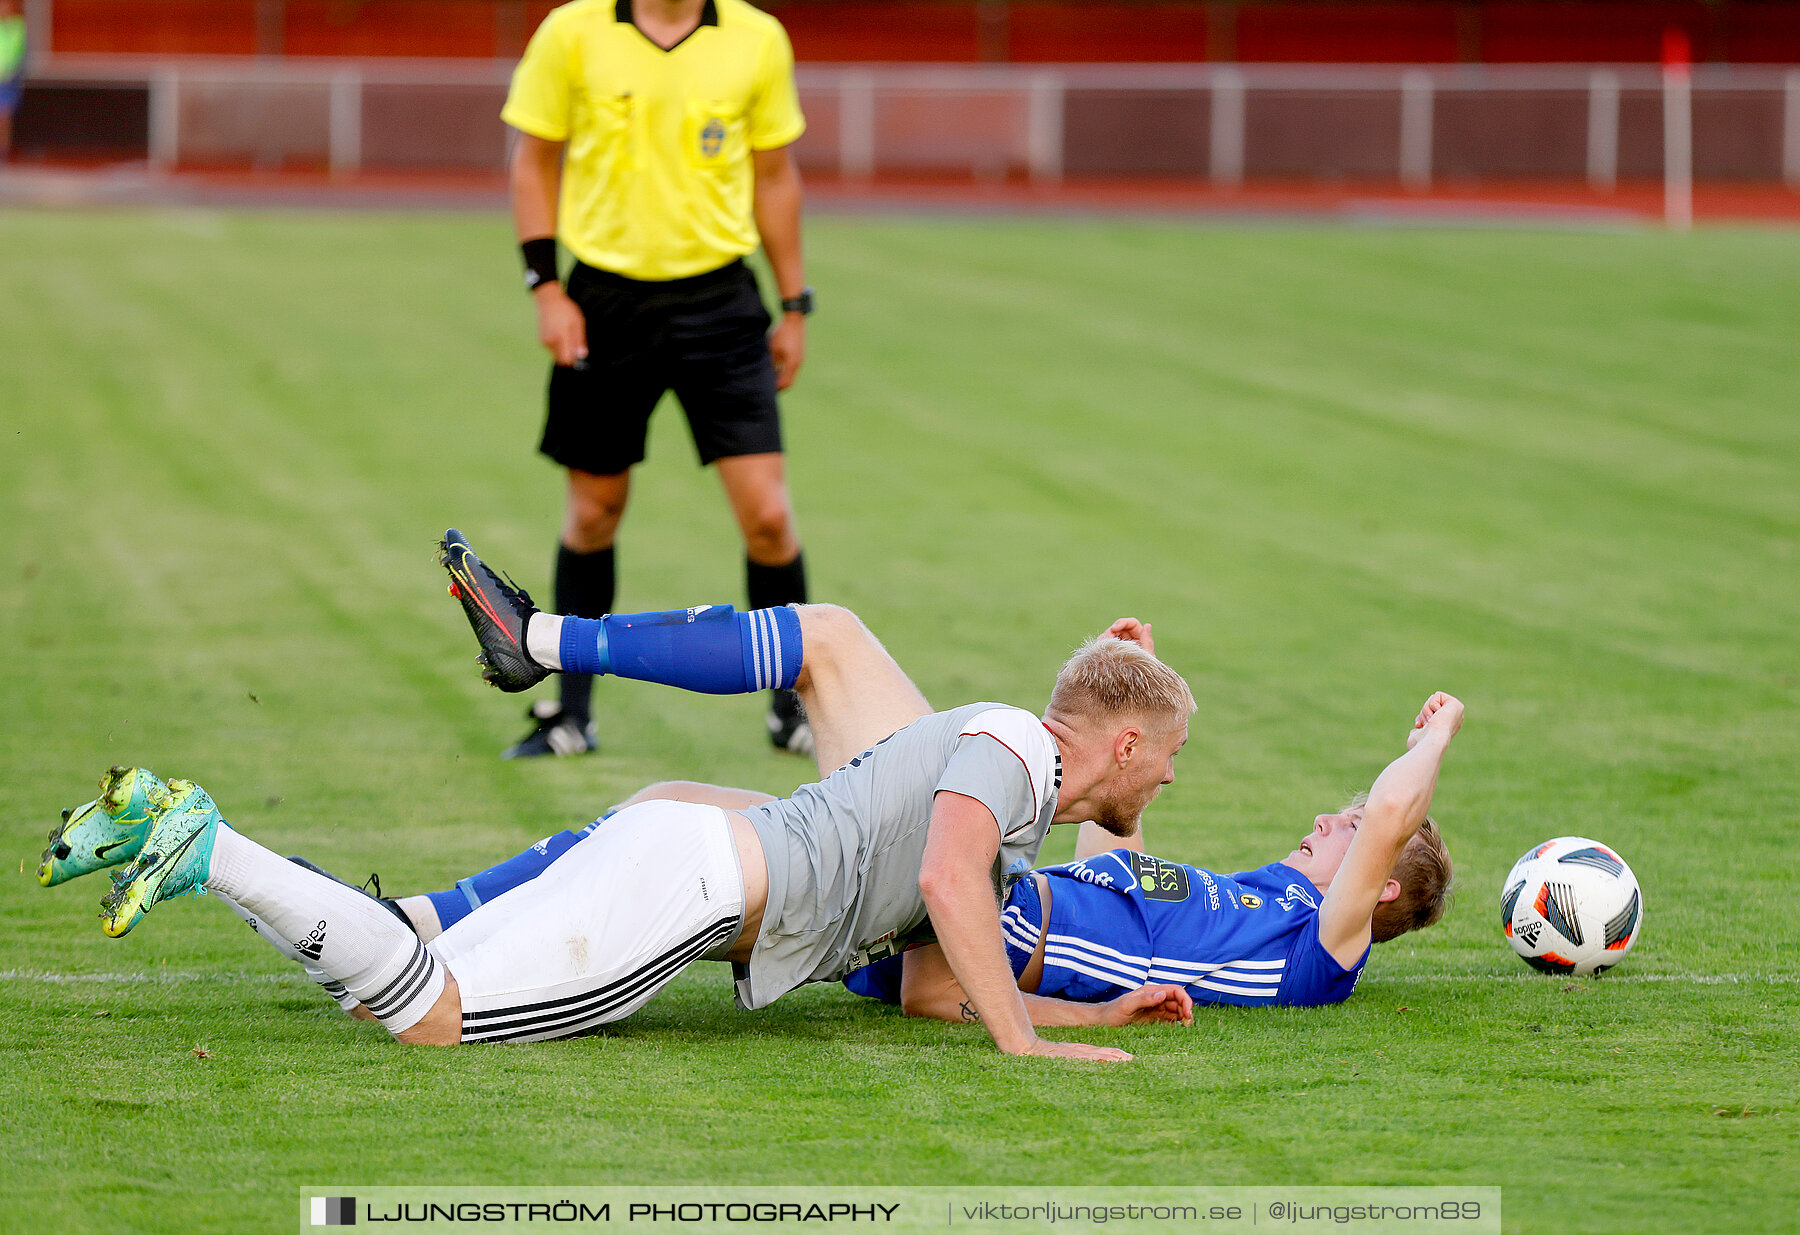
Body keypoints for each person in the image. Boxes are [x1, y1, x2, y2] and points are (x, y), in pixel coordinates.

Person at [47, 533, 1197, 1061]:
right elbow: (945, 875)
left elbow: (930, 993)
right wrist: (1027, 1049)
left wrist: (1093, 1014)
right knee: (428, 1016)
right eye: (1171, 755)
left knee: (386, 991)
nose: (1174, 778)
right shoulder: (1010, 746)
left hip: (684, 852)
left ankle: (184, 835)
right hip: (685, 885)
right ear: (1128, 741)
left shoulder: (1012, 810)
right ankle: (206, 842)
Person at [499, 0, 817, 760]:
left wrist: (795, 303)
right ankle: (571, 714)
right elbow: (534, 160)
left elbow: (774, 177)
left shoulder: (756, 38)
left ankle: (793, 708)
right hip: (604, 304)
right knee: (594, 513)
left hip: (722, 304)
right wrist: (546, 287)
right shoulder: (573, 32)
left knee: (769, 517)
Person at [0, 0, 25, 163]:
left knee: (4, 116)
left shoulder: (18, 27)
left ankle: (3, 151)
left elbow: (18, 53)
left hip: (7, 80)